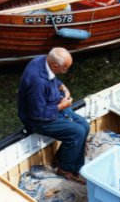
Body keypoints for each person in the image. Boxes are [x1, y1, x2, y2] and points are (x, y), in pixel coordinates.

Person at [17, 47, 89, 184]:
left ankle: (62, 159)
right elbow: (37, 114)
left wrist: (62, 86)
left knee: (84, 125)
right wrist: (62, 106)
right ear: (55, 65)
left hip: (51, 105)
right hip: (38, 119)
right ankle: (66, 169)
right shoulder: (37, 82)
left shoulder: (41, 61)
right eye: (65, 68)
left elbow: (52, 79)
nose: (66, 71)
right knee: (77, 132)